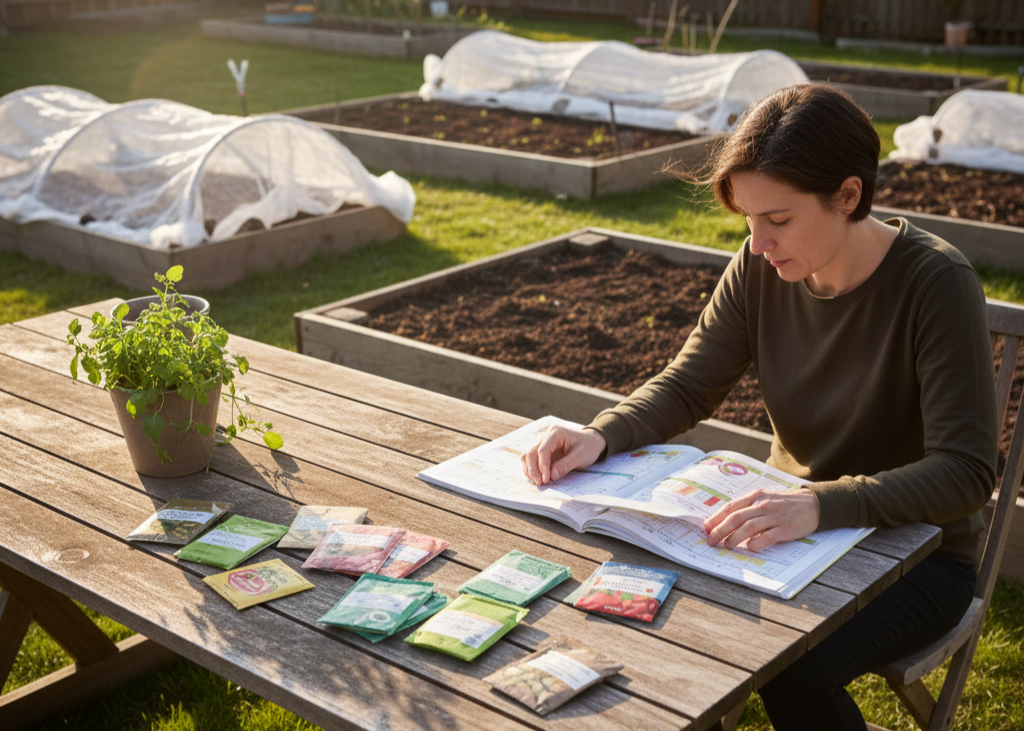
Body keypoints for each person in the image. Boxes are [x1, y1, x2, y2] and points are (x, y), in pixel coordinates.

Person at [520, 84, 997, 730]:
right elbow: (689, 383)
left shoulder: (937, 283)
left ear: (848, 196)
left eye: (778, 219)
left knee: (792, 668)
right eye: (748, 220)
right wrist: (600, 436)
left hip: (919, 552)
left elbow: (966, 472)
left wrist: (820, 504)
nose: (758, 243)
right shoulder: (760, 267)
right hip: (785, 532)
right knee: (642, 606)